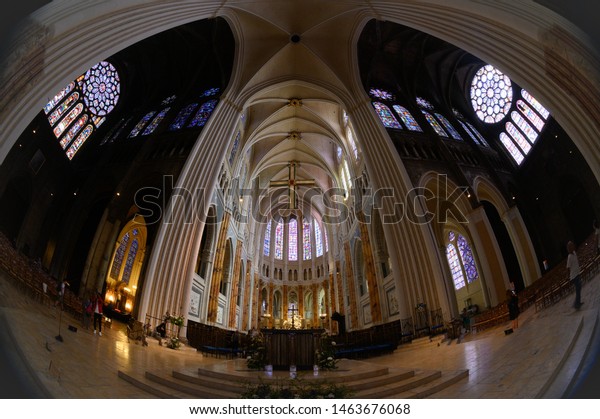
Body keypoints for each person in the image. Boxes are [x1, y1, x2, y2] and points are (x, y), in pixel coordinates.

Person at [566, 241, 584, 309]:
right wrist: (568, 277)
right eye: (571, 246)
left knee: (578, 289)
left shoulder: (574, 253)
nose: (573, 246)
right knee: (578, 288)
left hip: (577, 274)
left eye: (573, 245)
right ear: (569, 248)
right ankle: (576, 304)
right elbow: (568, 268)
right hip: (574, 276)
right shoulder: (569, 257)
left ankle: (577, 303)